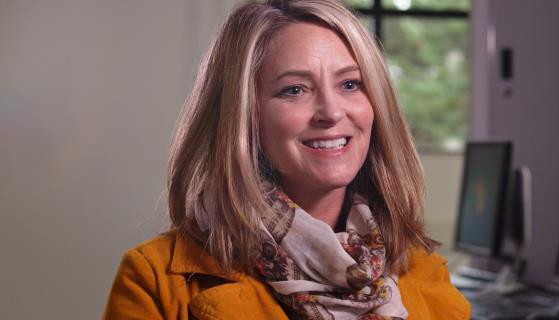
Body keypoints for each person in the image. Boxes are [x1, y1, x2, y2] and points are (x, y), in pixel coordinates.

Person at [104, 0, 470, 319]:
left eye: (350, 84)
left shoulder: (426, 272)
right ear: (243, 116)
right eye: (295, 90)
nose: (331, 112)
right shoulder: (152, 280)